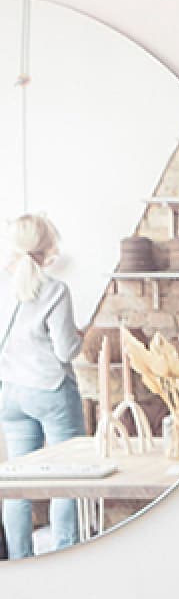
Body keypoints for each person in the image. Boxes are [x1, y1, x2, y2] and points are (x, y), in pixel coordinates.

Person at [0, 214, 86, 559]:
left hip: (10, 393)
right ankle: (64, 558)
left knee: (19, 487)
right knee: (68, 480)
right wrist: (80, 336)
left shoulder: (3, 288)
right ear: (48, 247)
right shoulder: (55, 290)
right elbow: (66, 350)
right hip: (50, 391)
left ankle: (21, 564)